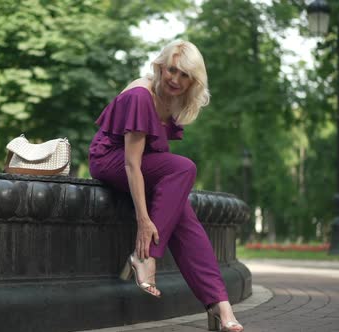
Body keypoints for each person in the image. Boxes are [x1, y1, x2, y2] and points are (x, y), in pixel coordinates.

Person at [88, 40, 243, 332]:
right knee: (185, 167)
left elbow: (153, 158)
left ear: (193, 81)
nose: (176, 79)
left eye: (185, 75)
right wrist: (144, 220)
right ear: (161, 66)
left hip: (141, 163)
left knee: (187, 222)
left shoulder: (172, 101)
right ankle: (144, 257)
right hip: (111, 159)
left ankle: (220, 305)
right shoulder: (140, 95)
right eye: (172, 70)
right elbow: (132, 164)